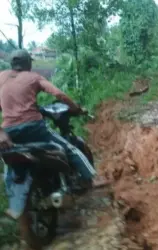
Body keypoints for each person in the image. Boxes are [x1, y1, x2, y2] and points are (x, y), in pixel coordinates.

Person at [0, 49, 96, 223]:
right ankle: (89, 178)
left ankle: (14, 204)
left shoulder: (1, 77)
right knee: (69, 148)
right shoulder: (33, 77)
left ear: (12, 65)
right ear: (28, 63)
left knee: (8, 164)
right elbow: (59, 94)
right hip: (34, 128)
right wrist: (75, 108)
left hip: (9, 132)